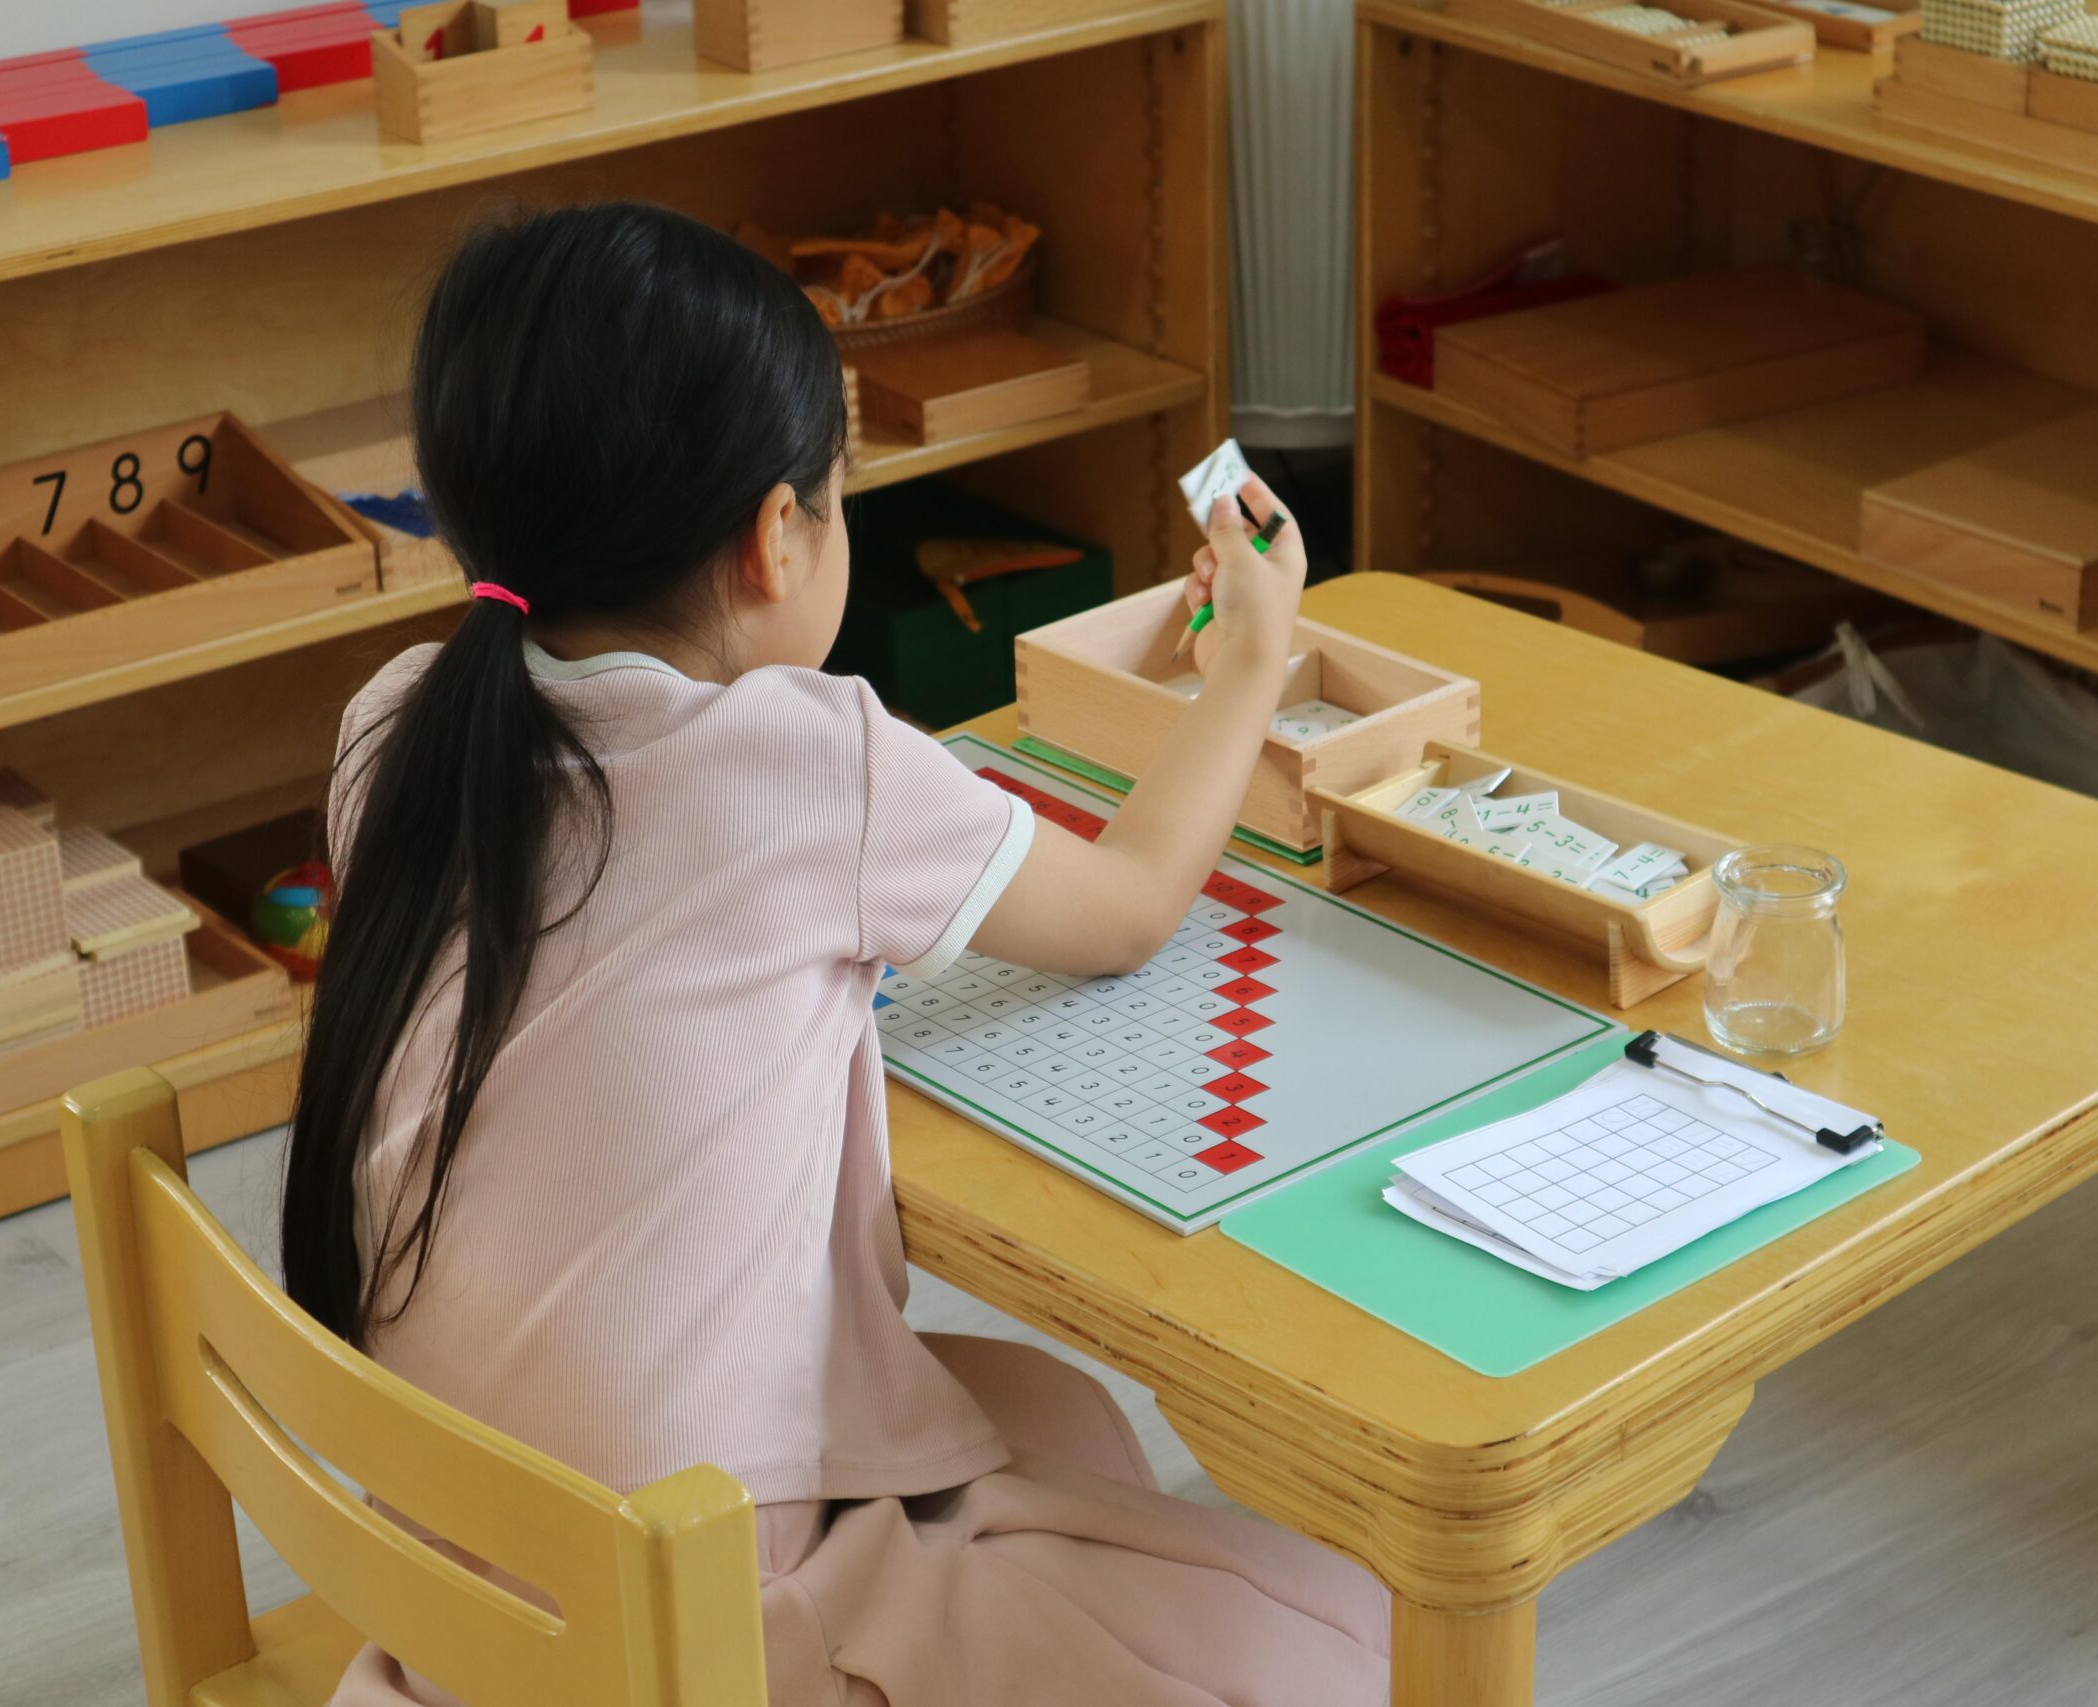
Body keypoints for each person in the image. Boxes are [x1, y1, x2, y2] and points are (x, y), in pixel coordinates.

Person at [283, 201, 1388, 1706]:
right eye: (839, 494)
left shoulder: (393, 728)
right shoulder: (812, 764)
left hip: (458, 1549)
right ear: (776, 538)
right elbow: (1131, 906)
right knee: (1348, 1632)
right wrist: (1252, 658)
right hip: (691, 1621)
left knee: (1052, 1413)